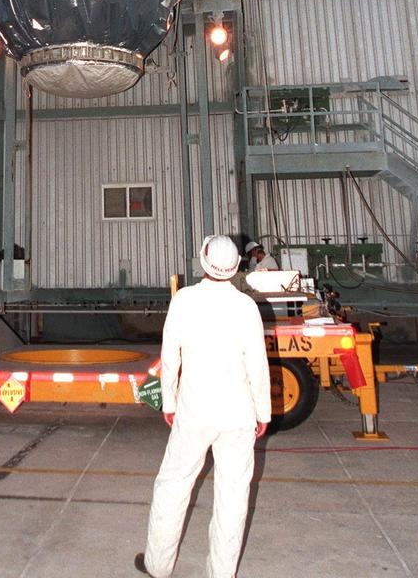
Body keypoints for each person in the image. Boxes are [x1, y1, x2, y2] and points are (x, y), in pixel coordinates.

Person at [135, 234, 271, 578]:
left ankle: (158, 565)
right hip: (237, 414)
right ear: (238, 265)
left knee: (173, 486)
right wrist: (263, 413)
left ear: (203, 261)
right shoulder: (246, 307)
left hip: (194, 411)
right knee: (233, 497)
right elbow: (257, 365)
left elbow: (170, 358)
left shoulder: (184, 301)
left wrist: (169, 402)